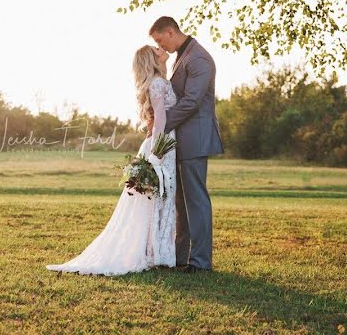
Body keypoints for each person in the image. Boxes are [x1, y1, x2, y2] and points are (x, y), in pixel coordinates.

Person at [46, 44, 177, 275]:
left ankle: (156, 251)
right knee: (161, 197)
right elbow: (160, 121)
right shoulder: (157, 84)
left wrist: (164, 62)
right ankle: (157, 254)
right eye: (156, 51)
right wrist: (158, 153)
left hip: (160, 143)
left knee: (159, 198)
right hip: (161, 145)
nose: (161, 52)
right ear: (150, 60)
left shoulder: (157, 81)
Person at [148, 16, 224, 272]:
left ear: (170, 31)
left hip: (195, 138)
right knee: (181, 202)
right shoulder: (183, 55)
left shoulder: (199, 58)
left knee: (196, 200)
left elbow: (191, 102)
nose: (161, 47)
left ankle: (200, 262)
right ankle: (179, 258)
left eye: (160, 41)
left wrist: (163, 125)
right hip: (181, 139)